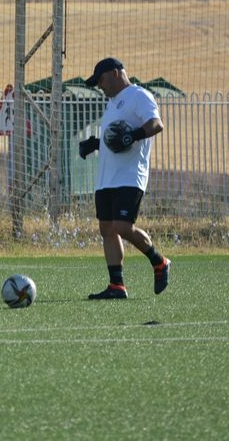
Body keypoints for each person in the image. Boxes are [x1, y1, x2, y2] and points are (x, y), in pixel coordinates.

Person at [78, 57, 170, 299]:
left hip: (130, 176)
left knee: (122, 226)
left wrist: (135, 135)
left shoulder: (139, 95)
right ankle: (116, 286)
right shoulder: (112, 104)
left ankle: (159, 262)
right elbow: (117, 139)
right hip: (107, 178)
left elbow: (156, 124)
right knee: (107, 228)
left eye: (101, 79)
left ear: (116, 74)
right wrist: (95, 144)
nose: (100, 85)